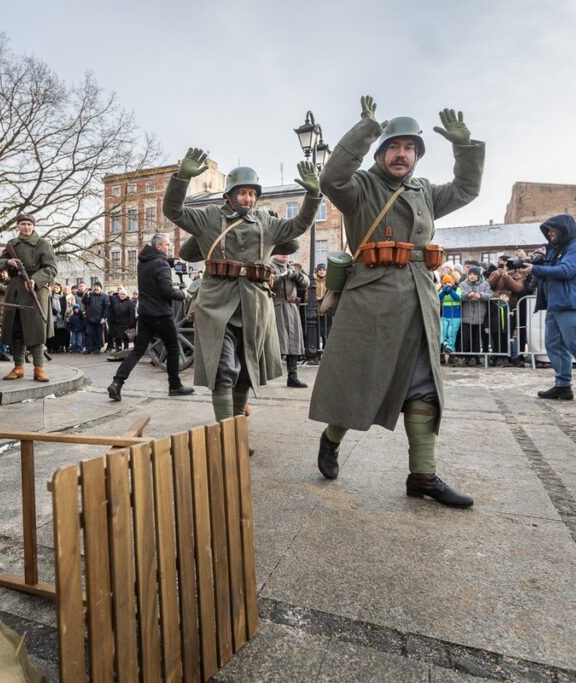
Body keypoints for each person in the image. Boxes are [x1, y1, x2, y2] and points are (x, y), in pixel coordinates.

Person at [310, 96, 484, 508]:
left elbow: (466, 188)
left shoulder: (424, 191)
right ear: (380, 151)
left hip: (420, 300)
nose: (401, 154)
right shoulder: (360, 187)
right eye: (393, 146)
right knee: (359, 385)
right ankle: (332, 438)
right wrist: (366, 127)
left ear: (418, 157)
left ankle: (422, 475)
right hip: (371, 299)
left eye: (409, 148)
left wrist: (465, 148)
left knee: (423, 385)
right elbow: (332, 178)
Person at [163, 150, 321, 421]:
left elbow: (298, 225)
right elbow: (173, 210)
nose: (248, 198)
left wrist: (313, 196)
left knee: (247, 372)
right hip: (217, 305)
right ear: (229, 195)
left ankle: (236, 433)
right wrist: (181, 178)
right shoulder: (210, 216)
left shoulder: (265, 222)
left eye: (252, 193)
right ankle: (225, 438)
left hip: (254, 305)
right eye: (242, 192)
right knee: (223, 370)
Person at [521, 214, 576, 404]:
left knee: (575, 343)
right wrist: (535, 264)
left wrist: (535, 270)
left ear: (563, 230)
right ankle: (562, 386)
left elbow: (566, 271)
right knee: (554, 344)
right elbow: (550, 268)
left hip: (573, 302)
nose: (550, 234)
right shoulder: (555, 248)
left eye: (552, 230)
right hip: (556, 302)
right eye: (548, 231)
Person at [106, 233, 193, 399]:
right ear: (158, 246)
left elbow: (157, 263)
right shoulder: (161, 264)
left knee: (138, 350)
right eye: (167, 245)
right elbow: (167, 290)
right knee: (173, 349)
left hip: (145, 315)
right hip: (162, 314)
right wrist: (182, 294)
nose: (169, 247)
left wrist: (172, 261)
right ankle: (175, 386)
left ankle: (117, 382)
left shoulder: (143, 262)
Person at [0, 213, 57, 382]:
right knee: (16, 330)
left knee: (36, 330)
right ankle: (18, 367)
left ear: (34, 226)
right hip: (15, 290)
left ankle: (39, 368)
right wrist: (8, 263)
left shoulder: (43, 244)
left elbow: (51, 268)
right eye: (23, 224)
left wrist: (36, 280)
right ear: (18, 226)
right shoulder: (11, 245)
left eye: (29, 224)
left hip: (35, 291)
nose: (26, 227)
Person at [270, 253, 310, 387]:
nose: (285, 255)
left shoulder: (292, 266)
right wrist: (282, 276)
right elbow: (267, 282)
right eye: (282, 252)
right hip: (276, 306)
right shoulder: (270, 266)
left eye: (287, 253)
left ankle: (293, 376)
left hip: (292, 307)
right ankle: (256, 376)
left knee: (294, 342)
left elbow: (306, 282)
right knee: (273, 342)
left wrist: (295, 275)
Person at [457, 266, 491, 363]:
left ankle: (474, 357)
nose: (472, 276)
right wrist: (468, 295)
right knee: (465, 337)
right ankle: (463, 356)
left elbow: (489, 295)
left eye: (474, 274)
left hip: (479, 316)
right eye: (470, 274)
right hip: (466, 315)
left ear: (478, 275)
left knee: (476, 338)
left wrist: (480, 295)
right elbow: (460, 295)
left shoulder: (485, 284)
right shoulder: (463, 284)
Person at [438, 274, 462, 362]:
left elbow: (457, 298)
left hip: (455, 316)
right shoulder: (442, 290)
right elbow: (438, 298)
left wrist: (451, 291)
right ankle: (441, 348)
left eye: (449, 282)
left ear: (452, 283)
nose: (447, 284)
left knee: (451, 333)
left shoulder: (457, 289)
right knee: (442, 333)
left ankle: (450, 348)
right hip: (444, 316)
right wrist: (444, 291)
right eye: (445, 283)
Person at [83, 282, 110, 353]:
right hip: (90, 318)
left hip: (99, 319)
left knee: (98, 334)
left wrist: (104, 318)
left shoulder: (104, 296)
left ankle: (97, 348)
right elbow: (85, 302)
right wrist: (86, 294)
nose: (96, 288)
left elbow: (107, 308)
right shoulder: (90, 295)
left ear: (101, 288)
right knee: (88, 333)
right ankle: (89, 349)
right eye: (95, 286)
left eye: (97, 286)